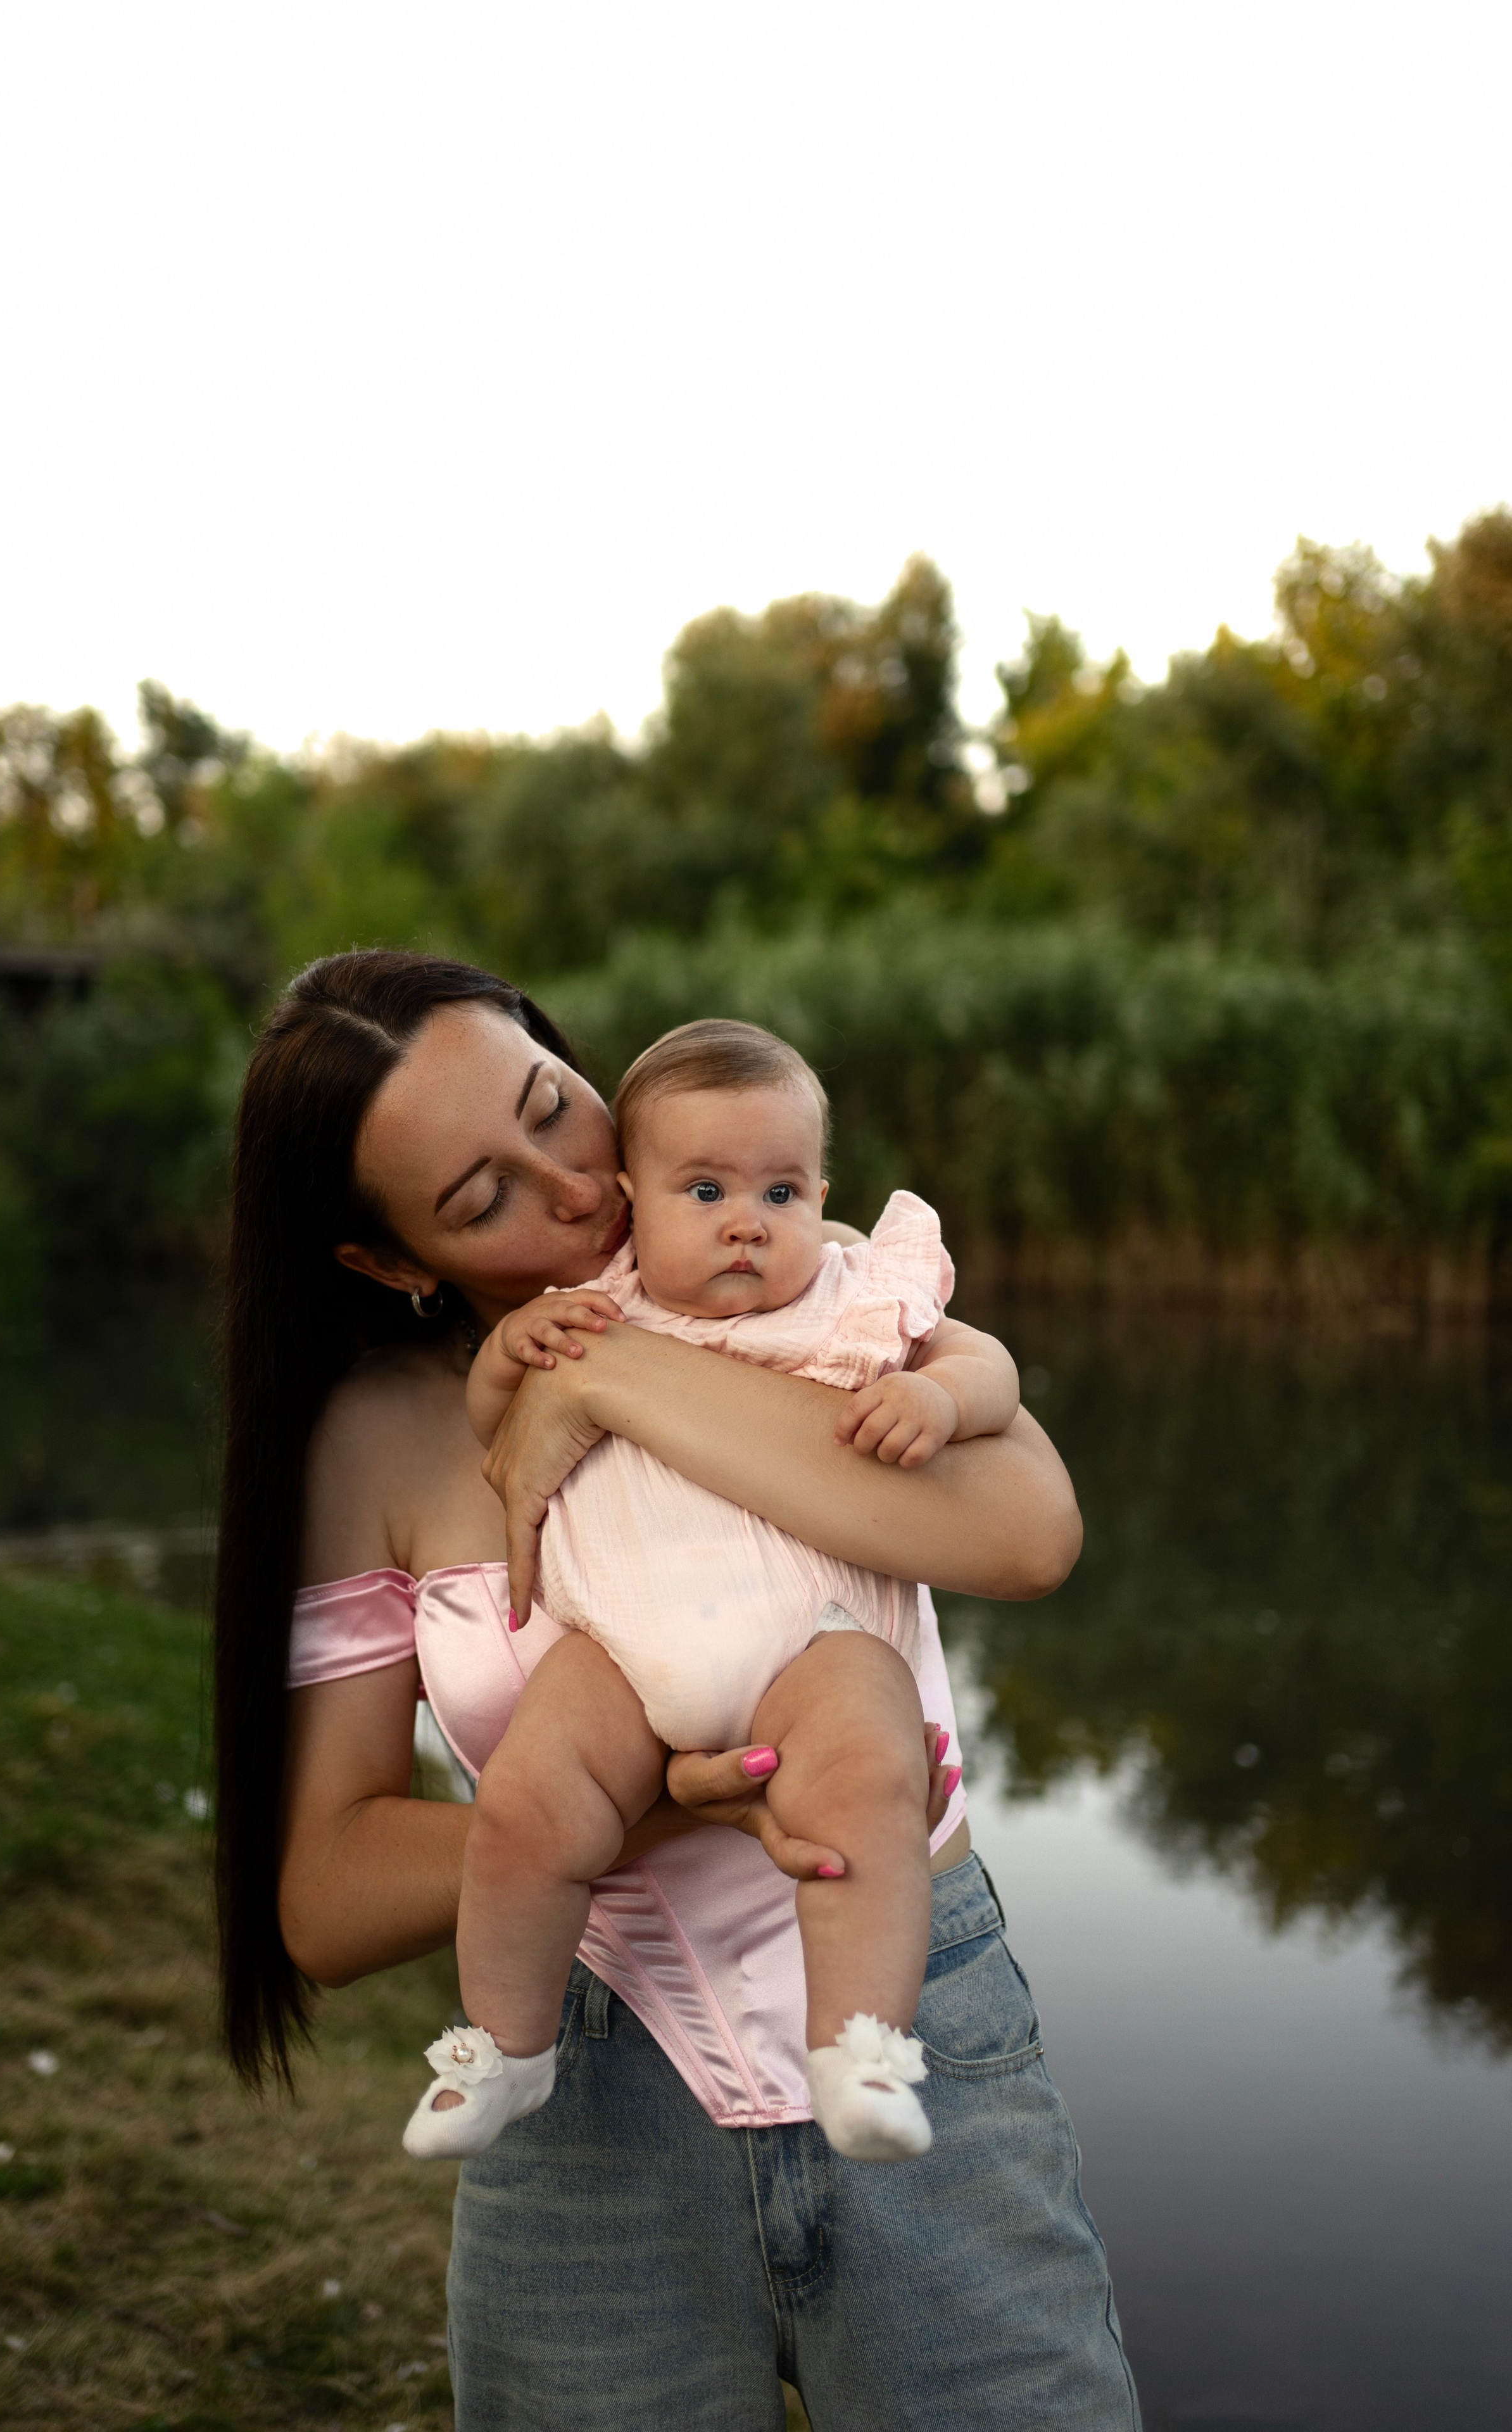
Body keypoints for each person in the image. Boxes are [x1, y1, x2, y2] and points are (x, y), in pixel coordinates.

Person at [215, 949, 1140, 2430]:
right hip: (585, 2093)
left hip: (920, 2047)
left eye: (553, 1108)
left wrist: (609, 1386)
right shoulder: (380, 1442)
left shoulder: (792, 1273)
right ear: (391, 1263)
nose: (573, 1191)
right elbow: (320, 1897)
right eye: (480, 1200)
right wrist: (627, 1814)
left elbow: (1028, 1536)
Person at [408, 1018, 1022, 2166]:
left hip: (818, 1641)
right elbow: (500, 1434)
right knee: (528, 1806)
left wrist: (942, 1405)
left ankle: (862, 2048)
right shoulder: (602, 1305)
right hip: (624, 1656)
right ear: (633, 1201)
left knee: (869, 1782)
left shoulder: (847, 1292)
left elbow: (986, 1368)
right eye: (705, 1190)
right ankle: (505, 2043)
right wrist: (514, 1355)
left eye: (783, 1190)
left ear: (823, 1193)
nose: (749, 1220)